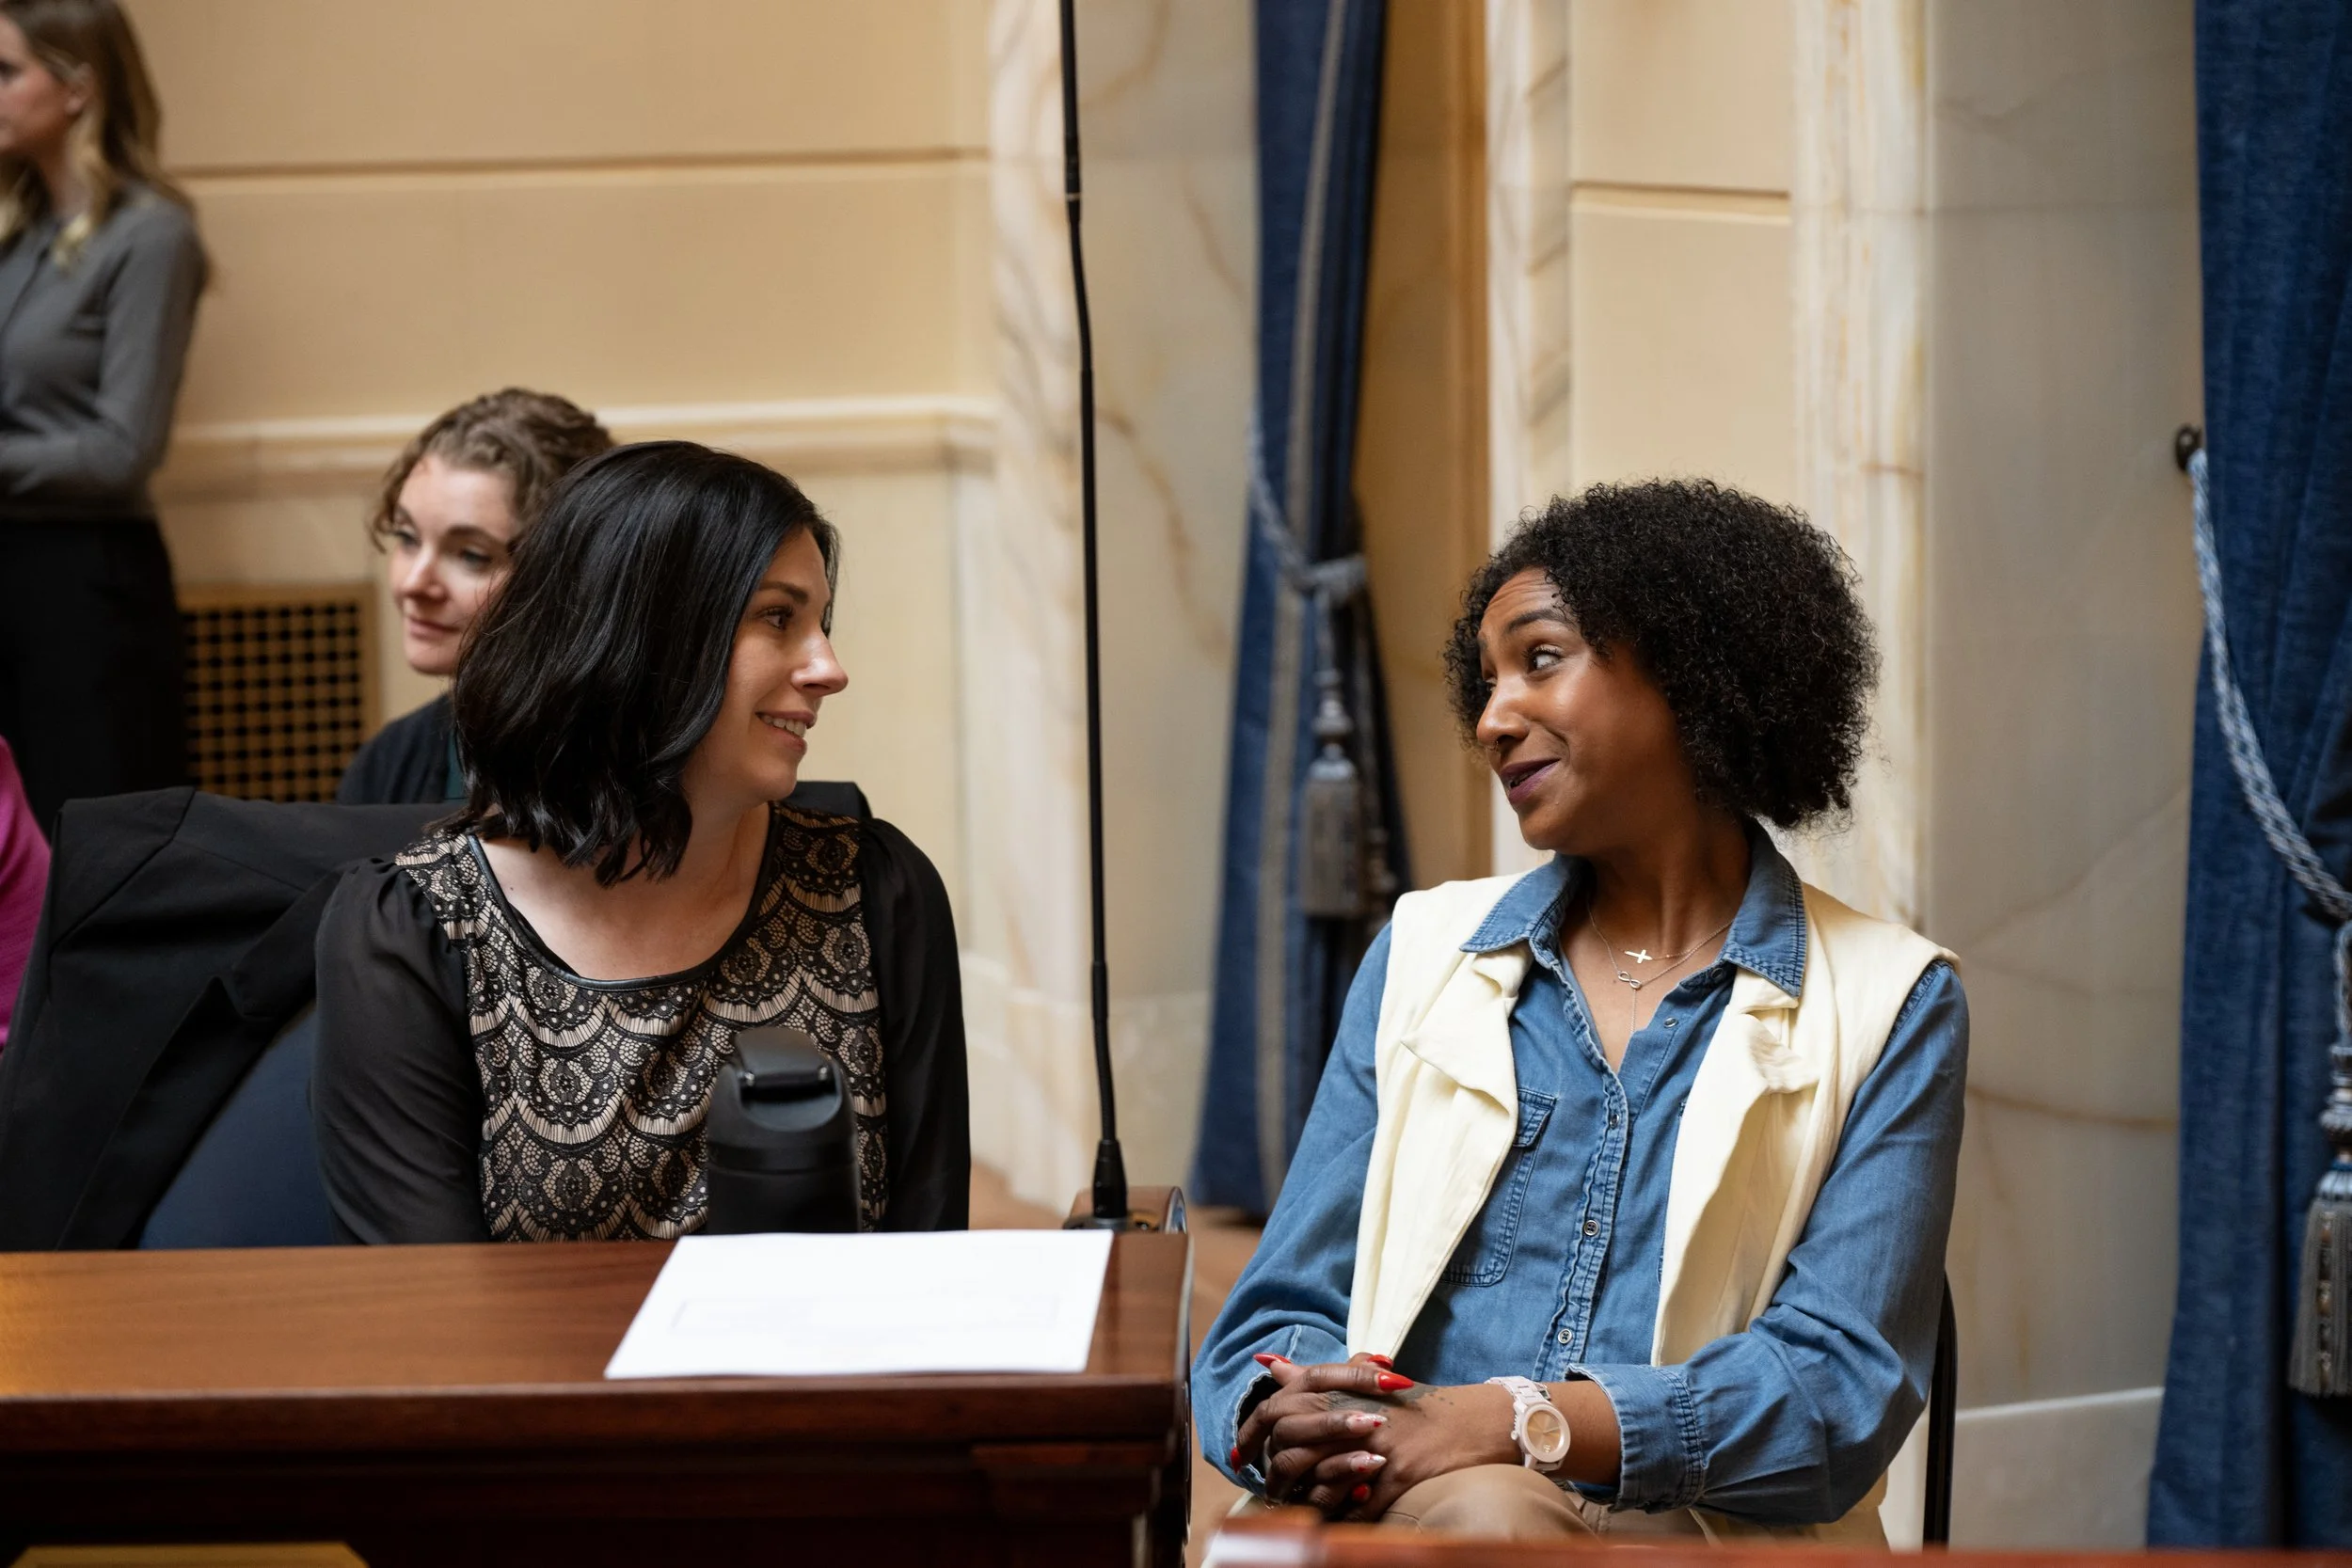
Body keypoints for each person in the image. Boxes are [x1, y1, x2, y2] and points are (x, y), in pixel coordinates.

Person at [1195, 480, 1967, 1542]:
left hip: (1700, 1529)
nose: (1491, 717)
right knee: (1484, 1523)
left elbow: (1832, 1393)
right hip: (1412, 1509)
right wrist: (1285, 1411)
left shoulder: (1893, 999)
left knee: (1497, 1518)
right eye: (1485, 679)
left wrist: (1516, 1421)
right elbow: (1278, 1308)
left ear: (1691, 671)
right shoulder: (1422, 953)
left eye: (1540, 658)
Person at [313, 442, 968, 1242]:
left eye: (819, 624)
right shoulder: (411, 931)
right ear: (643, 638)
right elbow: (431, 1320)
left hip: (837, 1370)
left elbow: (932, 1263)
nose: (828, 668)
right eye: (776, 617)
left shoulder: (876, 891)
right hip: (532, 1370)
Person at [0, 0, 205, 829]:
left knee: (91, 841)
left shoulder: (151, 235)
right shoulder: (18, 232)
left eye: (7, 72)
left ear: (79, 88)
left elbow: (124, 449)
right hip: (11, 568)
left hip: (84, 587)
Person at [337, 388, 614, 806]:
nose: (415, 582)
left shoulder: (632, 770)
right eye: (407, 538)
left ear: (572, 574)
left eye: (471, 555)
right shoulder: (389, 763)